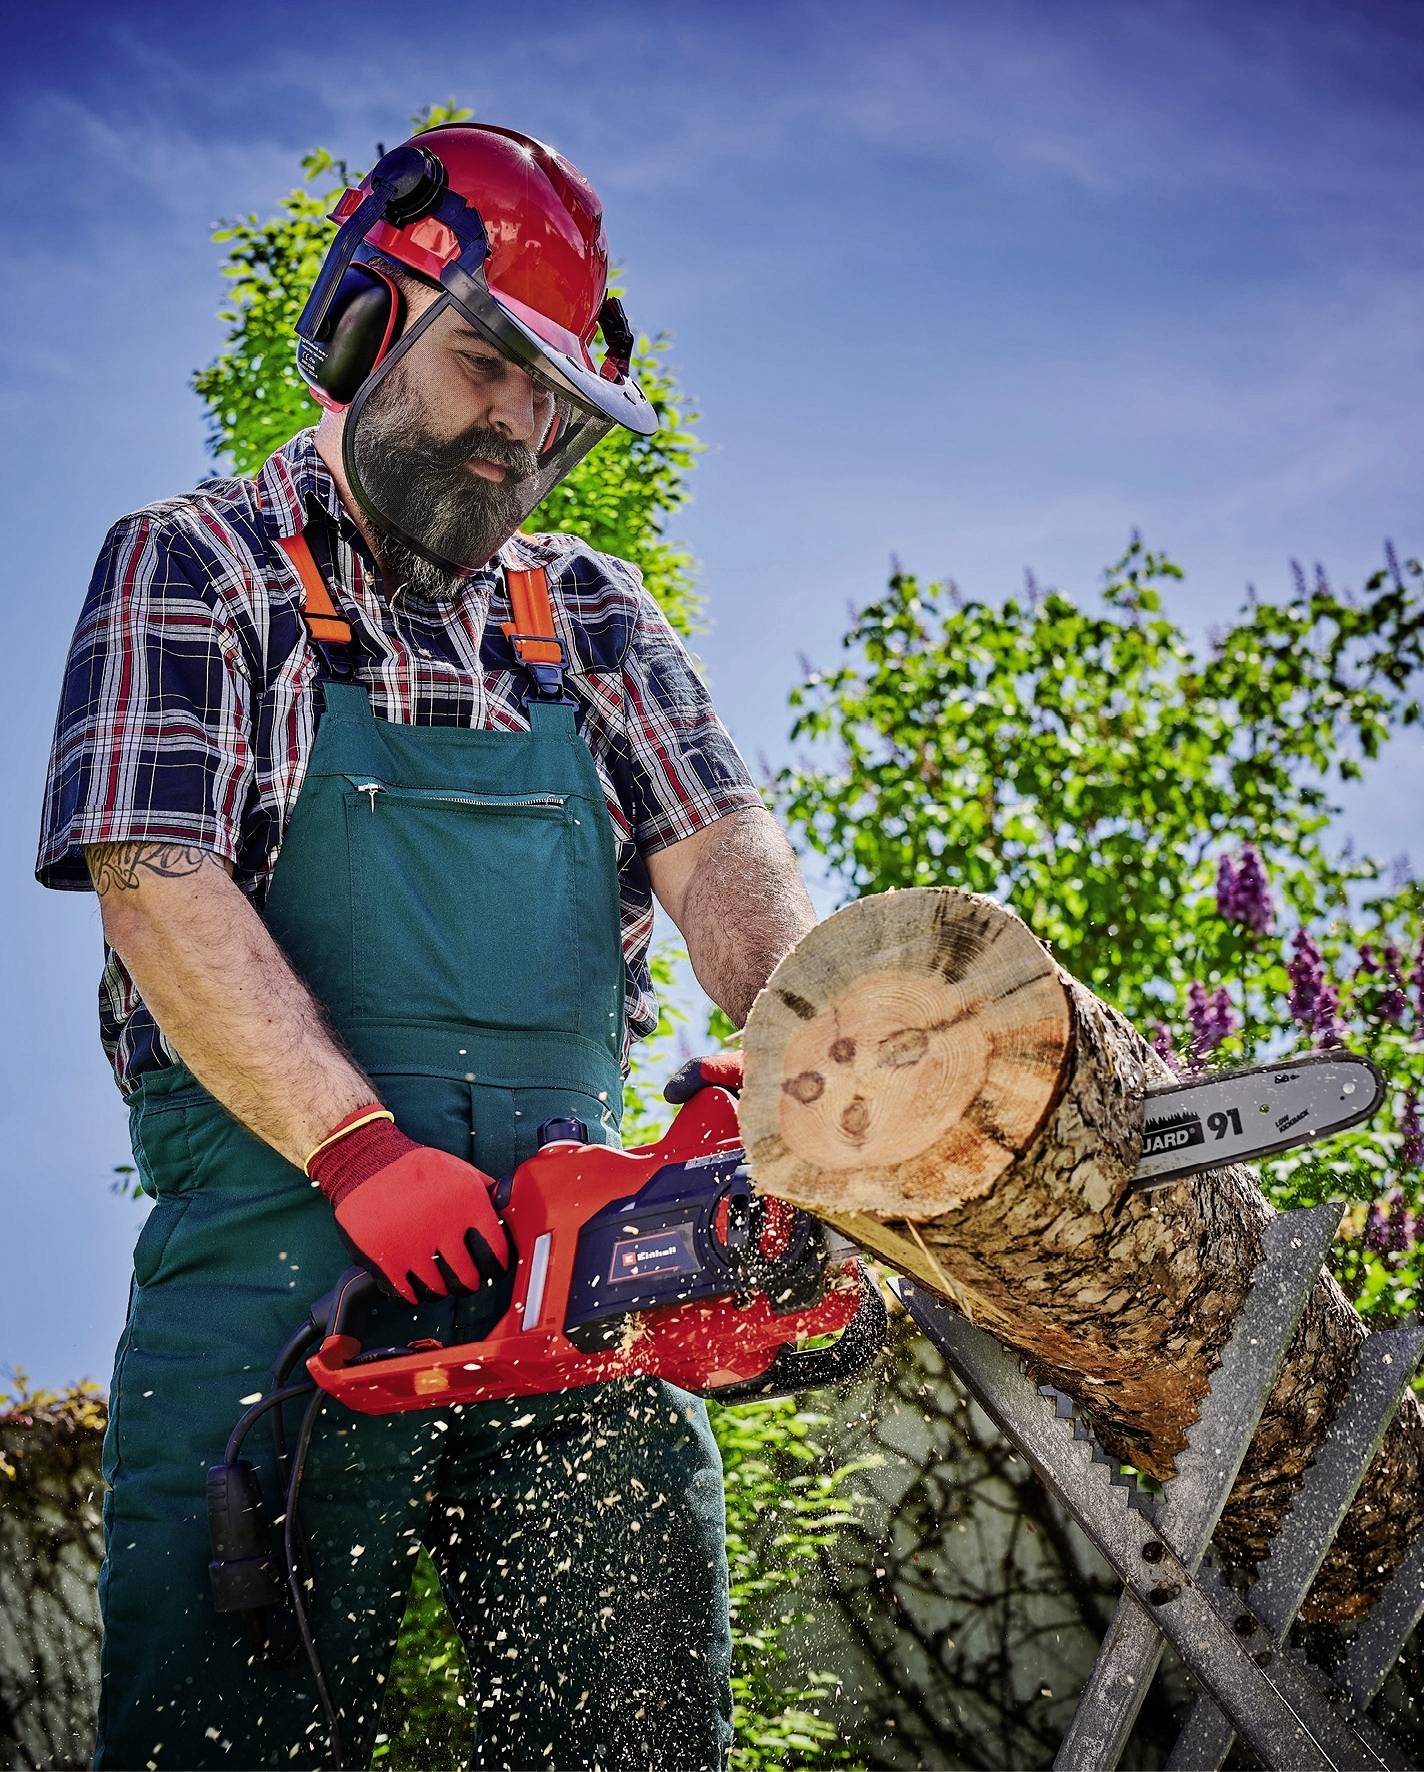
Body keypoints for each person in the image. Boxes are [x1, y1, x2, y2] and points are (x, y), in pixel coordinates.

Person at [35, 122, 816, 1772]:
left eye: (556, 403)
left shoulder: (594, 615)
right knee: (224, 1735)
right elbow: (155, 877)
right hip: (276, 1270)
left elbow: (734, 873)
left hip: (574, 1271)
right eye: (487, 366)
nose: (520, 426)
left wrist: (814, 1079)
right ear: (359, 323)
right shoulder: (194, 565)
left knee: (637, 1734)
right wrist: (354, 1142)